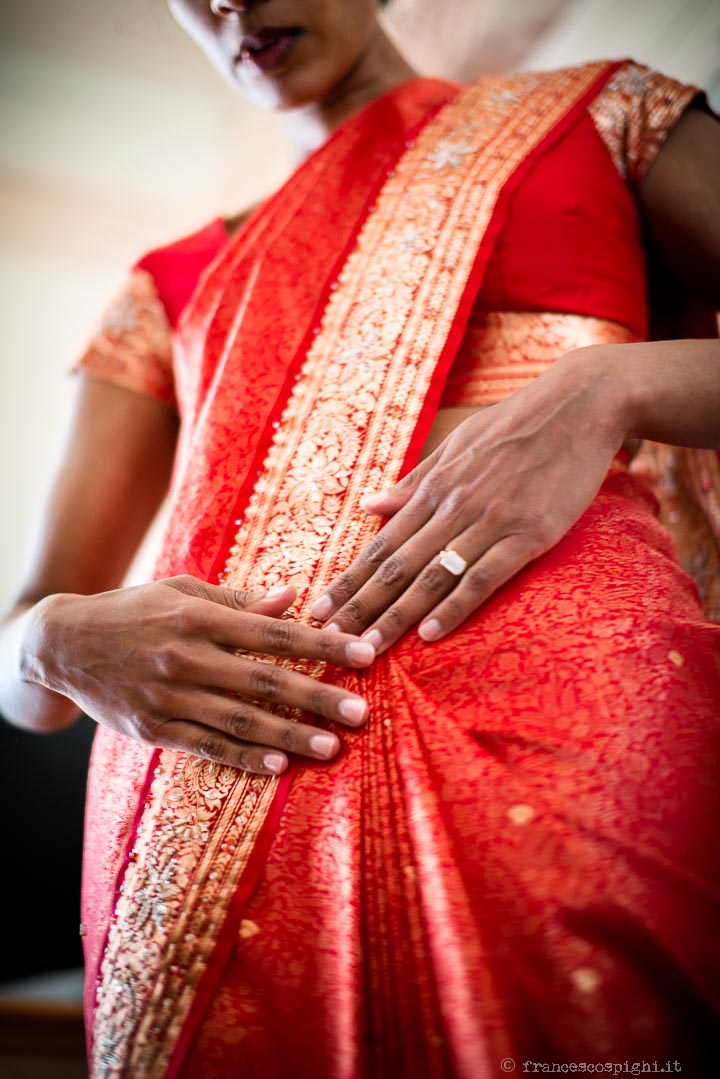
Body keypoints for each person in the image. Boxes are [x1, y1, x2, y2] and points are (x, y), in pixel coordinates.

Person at [1, 1, 719, 1075]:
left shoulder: (596, 118)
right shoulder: (169, 280)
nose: (232, 3)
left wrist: (611, 384)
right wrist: (45, 640)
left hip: (575, 727)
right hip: (215, 784)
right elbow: (30, 666)